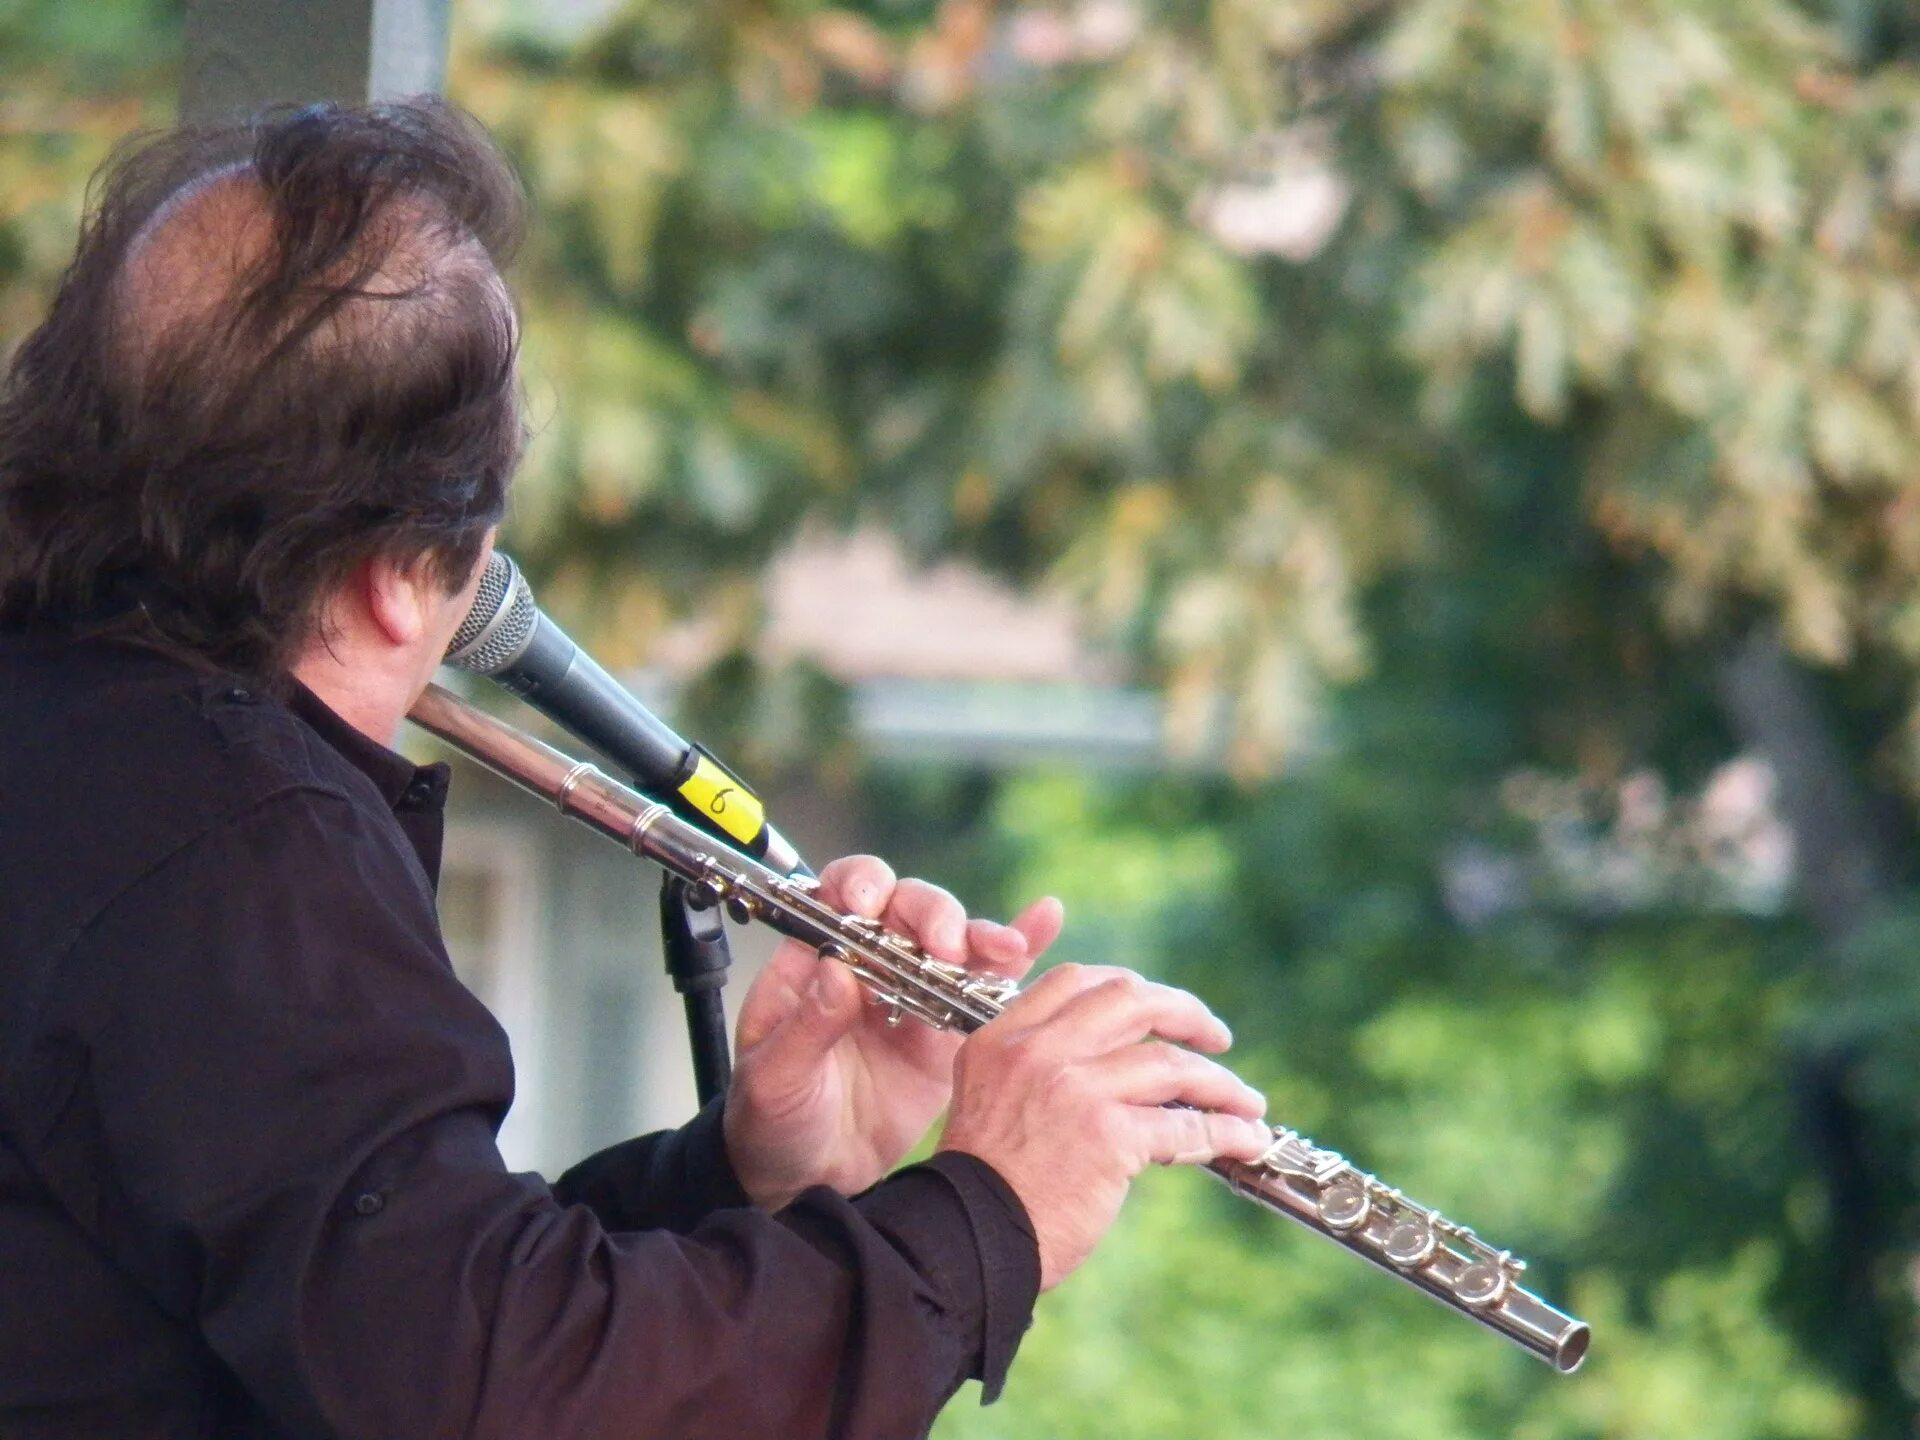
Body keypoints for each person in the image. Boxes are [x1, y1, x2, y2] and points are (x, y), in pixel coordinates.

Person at [0, 98, 1271, 1440]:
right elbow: (507, 1401)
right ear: (398, 579)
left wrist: (740, 1179)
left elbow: (379, 1323)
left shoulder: (79, 741)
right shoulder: (230, 839)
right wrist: (989, 1215)